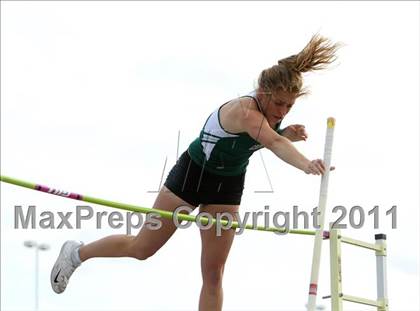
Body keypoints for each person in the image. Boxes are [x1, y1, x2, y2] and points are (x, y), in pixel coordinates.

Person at [50, 34, 340, 311]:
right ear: (263, 93)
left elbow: (253, 143)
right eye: (278, 104)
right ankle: (77, 253)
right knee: (142, 248)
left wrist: (286, 133)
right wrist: (306, 163)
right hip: (192, 175)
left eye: (289, 106)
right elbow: (270, 140)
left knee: (214, 275)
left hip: (227, 186)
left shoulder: (267, 118)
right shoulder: (244, 111)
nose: (283, 111)